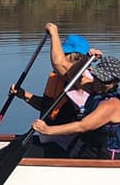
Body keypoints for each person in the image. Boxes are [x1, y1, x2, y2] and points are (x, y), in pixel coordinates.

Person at [10, 23, 91, 157]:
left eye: (62, 53)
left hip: (66, 148)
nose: (57, 54)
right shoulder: (57, 78)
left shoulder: (80, 79)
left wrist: (54, 33)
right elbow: (48, 108)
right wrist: (24, 95)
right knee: (12, 147)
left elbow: (58, 63)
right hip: (51, 143)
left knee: (16, 153)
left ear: (73, 57)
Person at [32, 55, 120, 160]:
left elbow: (82, 126)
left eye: (105, 81)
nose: (99, 84)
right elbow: (72, 76)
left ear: (116, 82)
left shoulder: (111, 105)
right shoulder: (95, 88)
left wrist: (48, 130)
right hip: (91, 149)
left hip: (108, 155)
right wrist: (86, 59)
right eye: (97, 78)